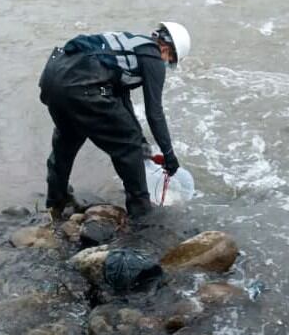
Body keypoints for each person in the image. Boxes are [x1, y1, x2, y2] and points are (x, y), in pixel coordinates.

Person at [39, 22, 191, 219]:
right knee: (128, 147)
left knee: (68, 136)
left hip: (54, 76)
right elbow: (155, 113)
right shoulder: (152, 57)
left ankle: (56, 201)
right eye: (170, 60)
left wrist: (143, 143)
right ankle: (142, 215)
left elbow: (121, 100)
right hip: (81, 87)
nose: (166, 64)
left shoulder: (130, 45)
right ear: (165, 48)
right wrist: (169, 155)